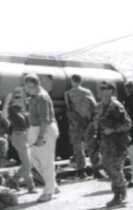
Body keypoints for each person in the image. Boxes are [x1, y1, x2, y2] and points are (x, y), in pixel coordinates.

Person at [23, 74, 59, 202]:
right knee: (35, 160)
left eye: (28, 85)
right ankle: (53, 185)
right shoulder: (34, 96)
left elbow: (45, 120)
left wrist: (41, 136)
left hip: (43, 129)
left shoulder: (41, 97)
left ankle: (48, 192)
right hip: (35, 128)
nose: (26, 88)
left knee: (46, 161)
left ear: (35, 84)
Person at [97, 80, 132, 206]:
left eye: (107, 89)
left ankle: (119, 193)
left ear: (112, 91)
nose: (104, 92)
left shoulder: (116, 105)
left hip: (117, 142)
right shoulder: (100, 105)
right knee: (107, 167)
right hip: (105, 142)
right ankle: (121, 185)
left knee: (115, 167)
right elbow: (96, 123)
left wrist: (113, 130)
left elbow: (128, 124)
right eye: (102, 89)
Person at [64, 74, 97, 179]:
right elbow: (94, 106)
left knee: (77, 147)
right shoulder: (87, 92)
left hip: (75, 123)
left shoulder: (68, 94)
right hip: (88, 122)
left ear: (71, 81)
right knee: (92, 146)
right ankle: (96, 170)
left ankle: (82, 172)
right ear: (81, 81)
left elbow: (69, 110)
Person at [2, 87, 34, 192]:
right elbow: (4, 116)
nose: (18, 98)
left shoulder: (25, 109)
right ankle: (14, 180)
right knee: (28, 163)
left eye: (20, 96)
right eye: (16, 96)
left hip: (26, 136)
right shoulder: (12, 108)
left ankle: (29, 185)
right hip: (18, 136)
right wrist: (7, 100)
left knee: (27, 162)